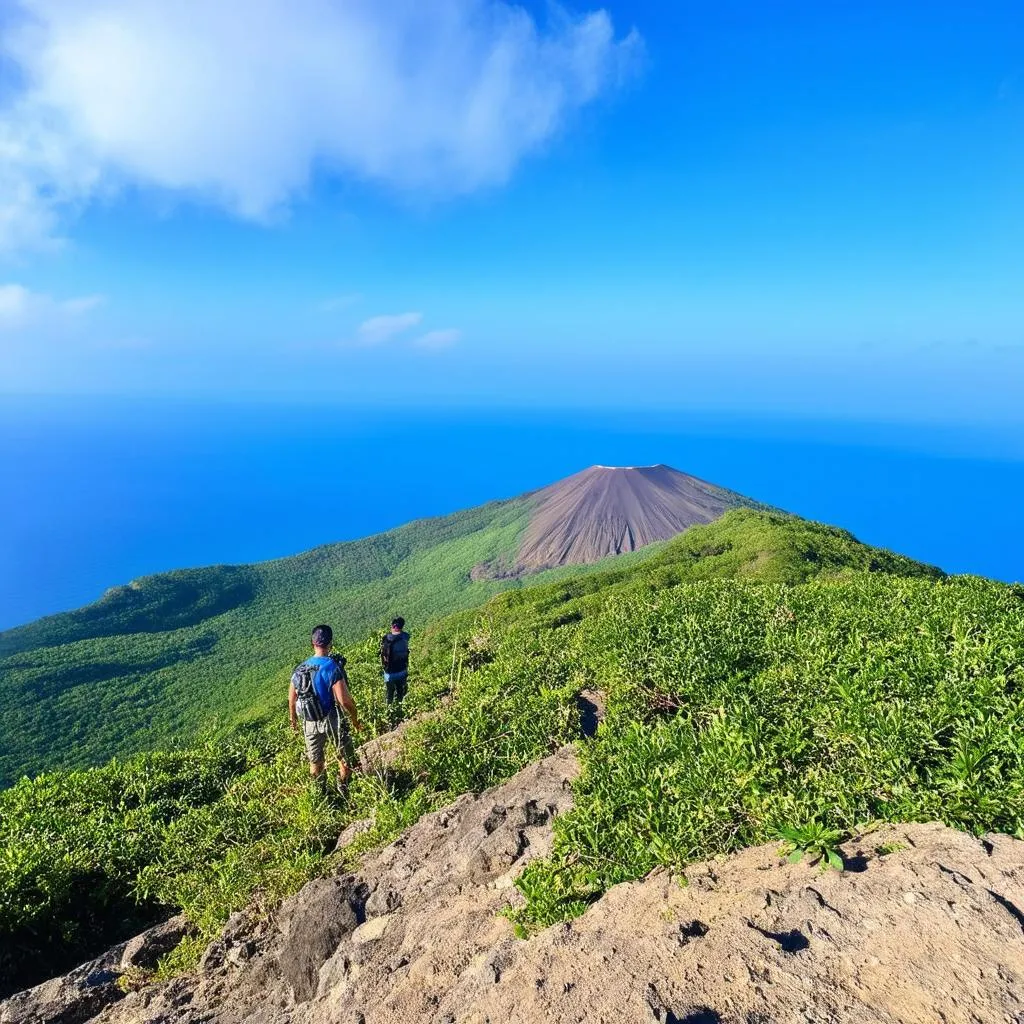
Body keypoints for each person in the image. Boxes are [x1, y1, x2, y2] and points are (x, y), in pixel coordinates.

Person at [289, 624, 362, 792]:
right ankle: (343, 787)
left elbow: (292, 700)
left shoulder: (299, 669)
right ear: (330, 644)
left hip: (309, 722)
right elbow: (345, 701)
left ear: (312, 643)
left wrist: (293, 721)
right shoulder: (331, 667)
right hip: (331, 718)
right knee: (343, 755)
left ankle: (319, 794)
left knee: (315, 762)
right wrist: (354, 719)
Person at [379, 616, 410, 723]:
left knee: (389, 694)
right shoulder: (406, 636)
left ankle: (388, 715)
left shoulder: (385, 638)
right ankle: (400, 714)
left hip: (389, 673)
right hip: (402, 671)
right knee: (401, 693)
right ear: (402, 626)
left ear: (392, 626)